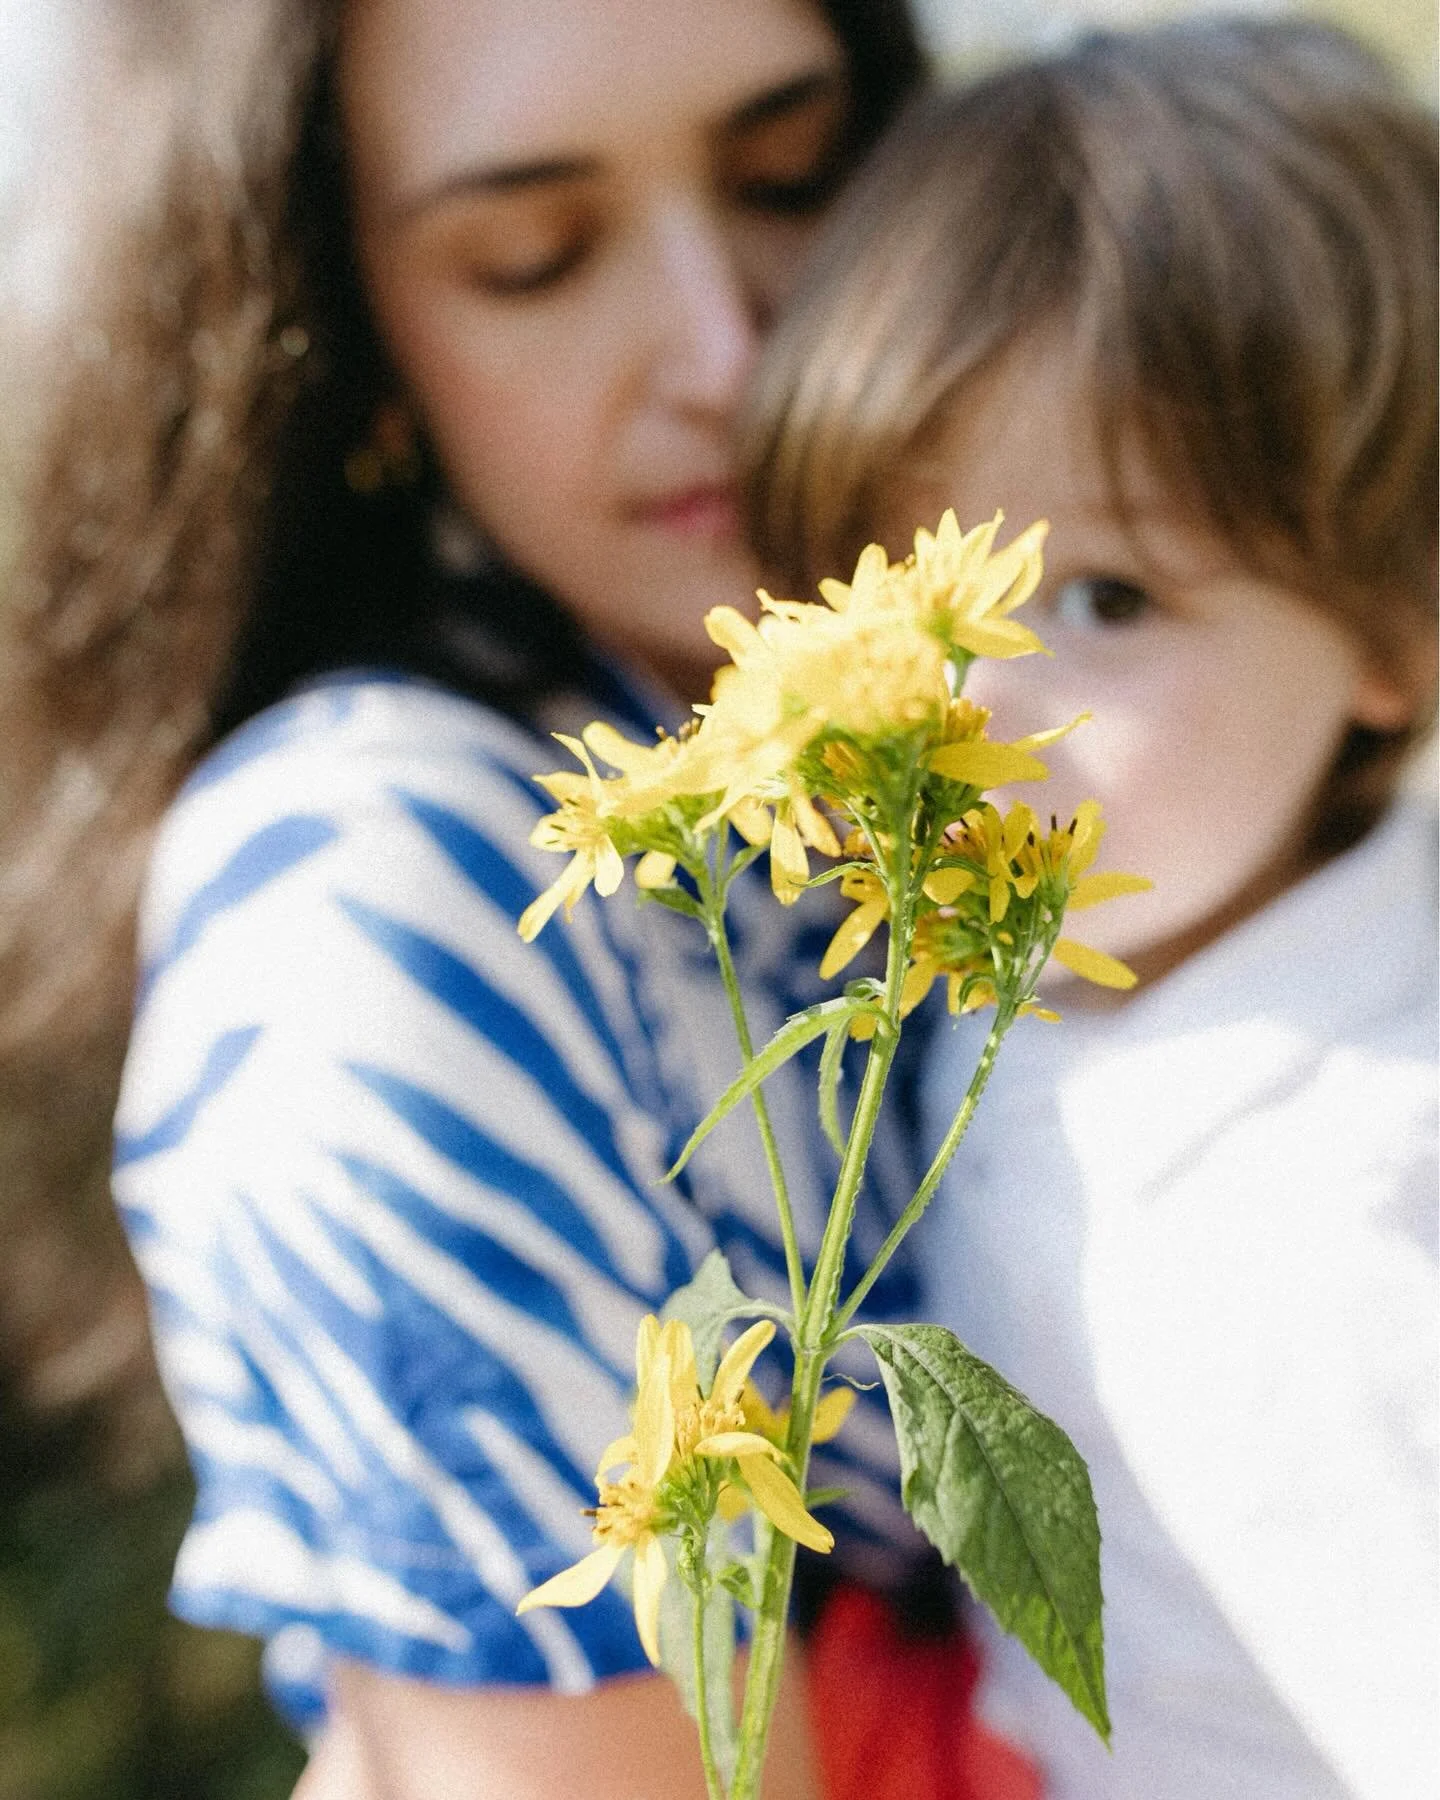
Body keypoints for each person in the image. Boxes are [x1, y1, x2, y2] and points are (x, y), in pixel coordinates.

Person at [2, 1, 932, 1796]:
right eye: (533, 257)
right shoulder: (382, 901)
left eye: (791, 178)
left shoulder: (980, 726)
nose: (729, 347)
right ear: (341, 341)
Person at [740, 18, 1437, 1799]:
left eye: (1109, 595)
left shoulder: (1345, 1233)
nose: (957, 719)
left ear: (1395, 620)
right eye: (900, 599)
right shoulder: (1043, 968)